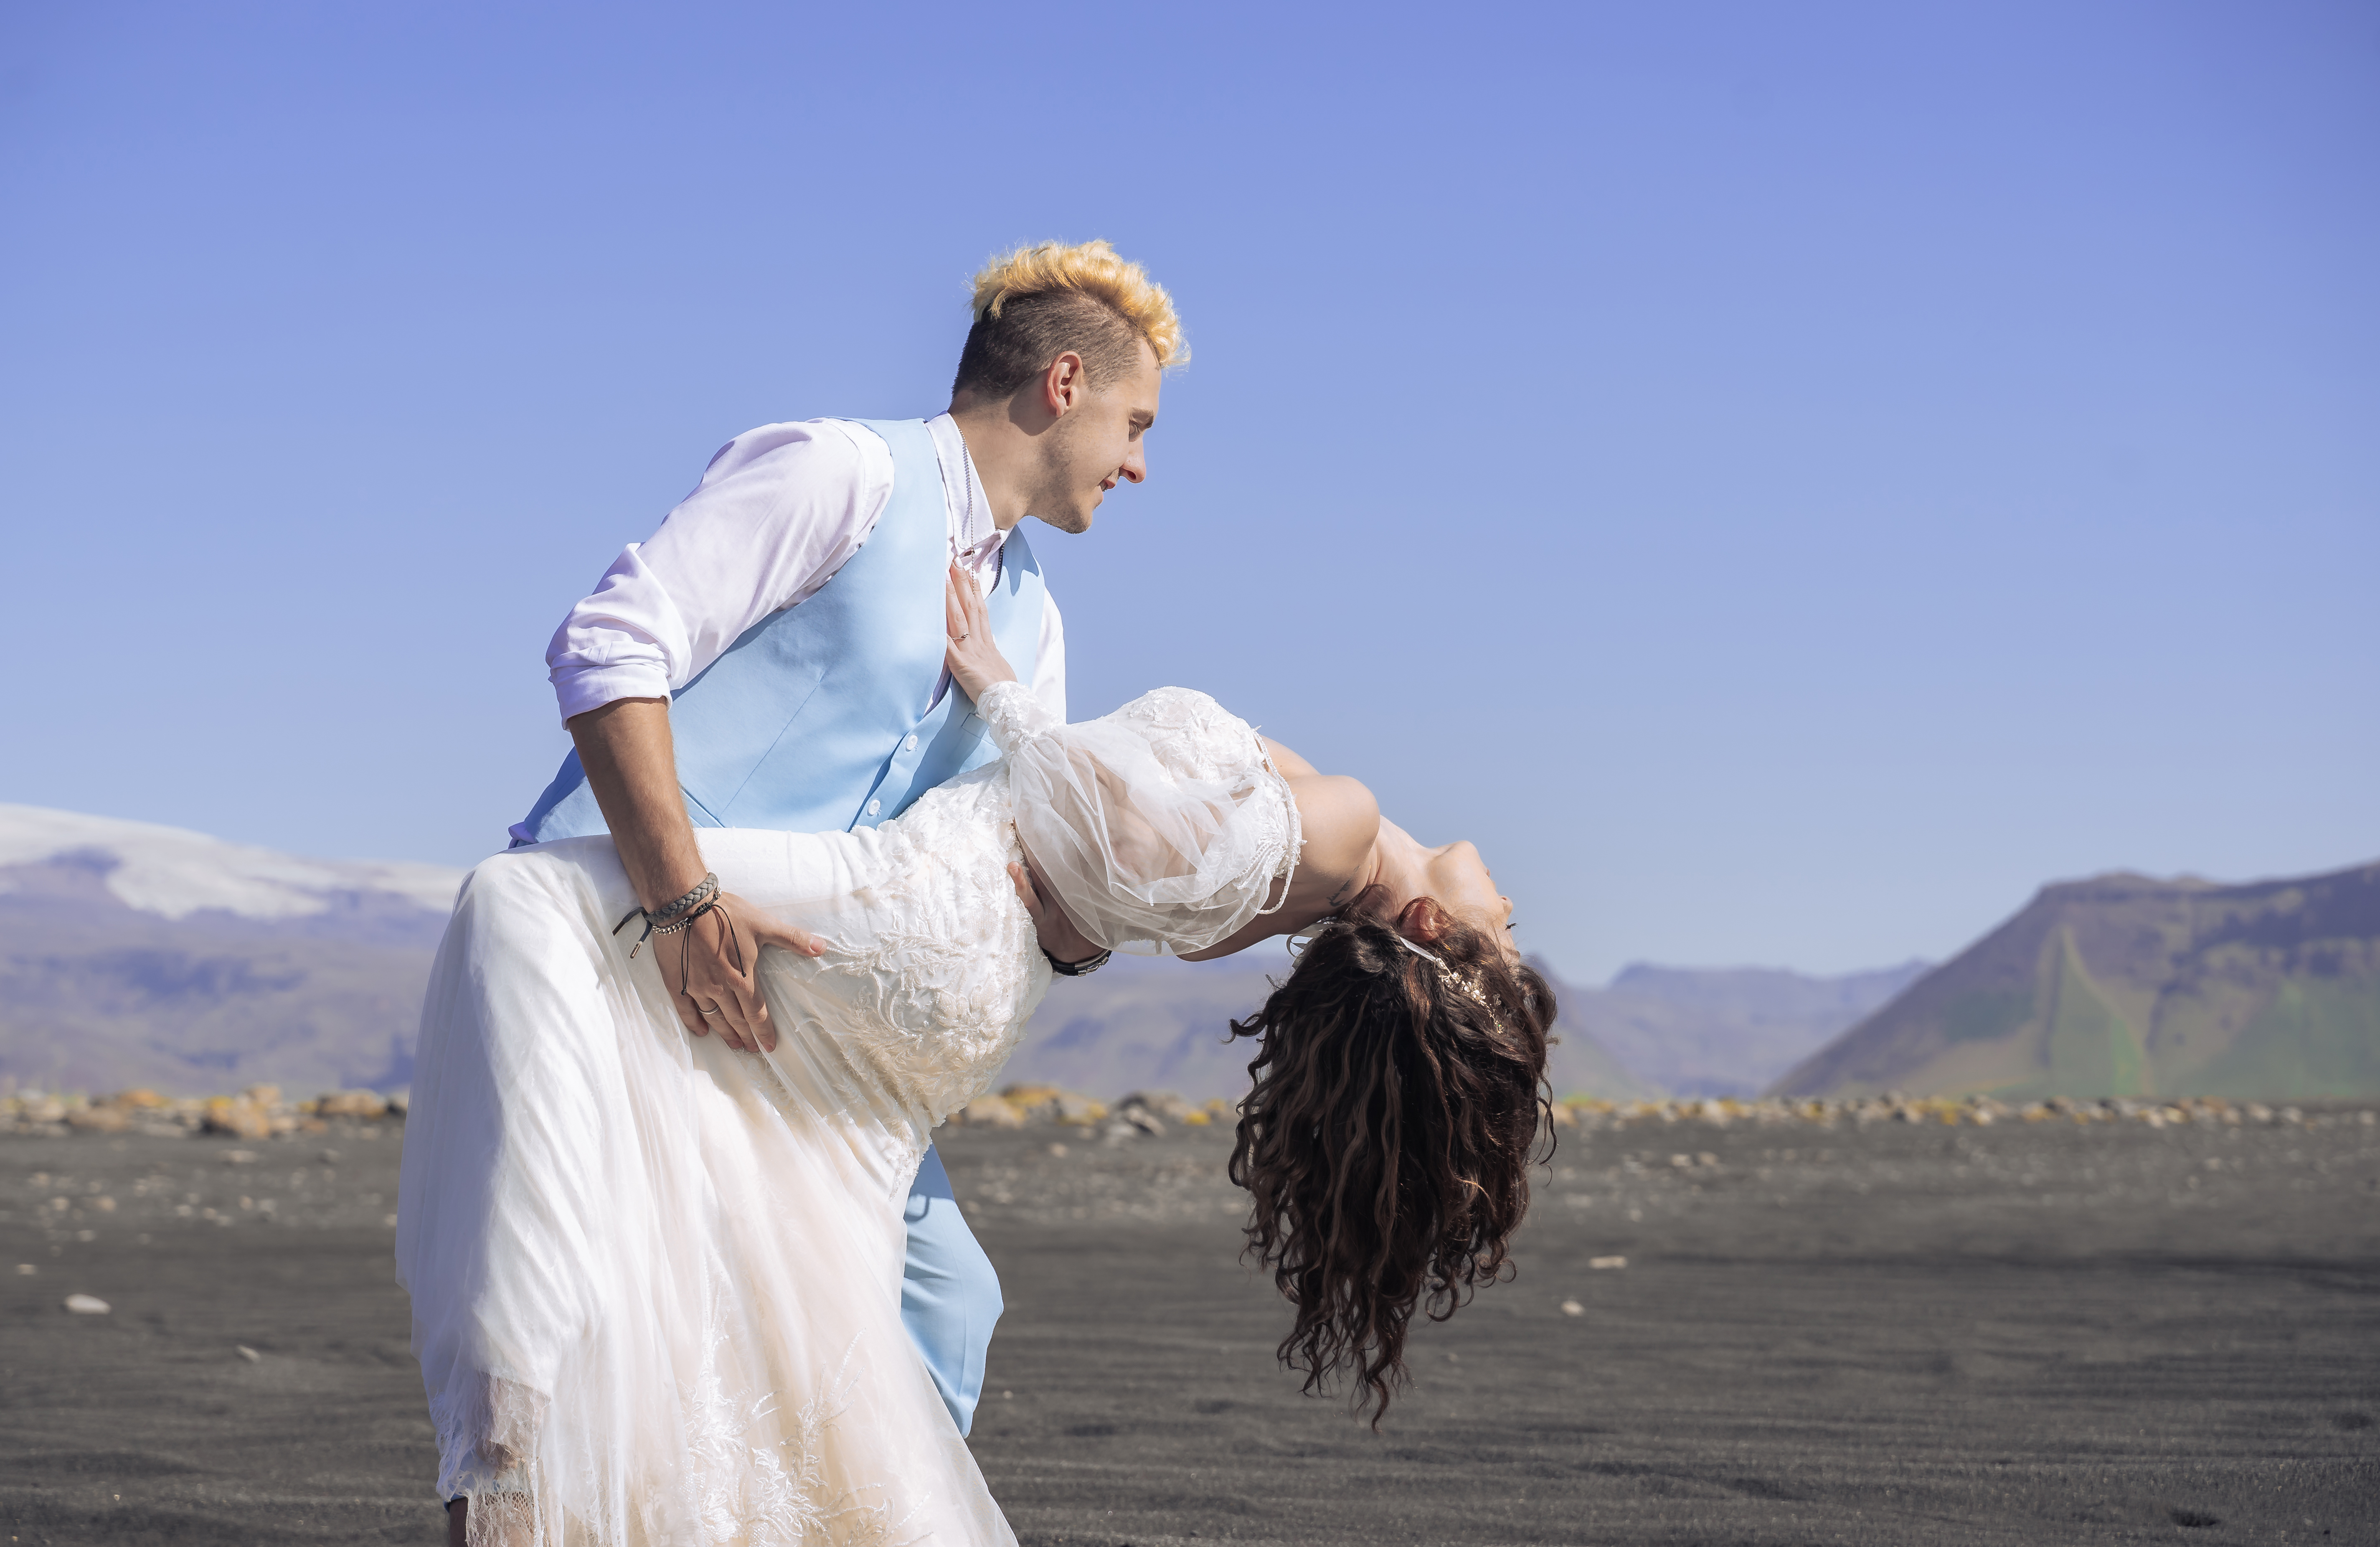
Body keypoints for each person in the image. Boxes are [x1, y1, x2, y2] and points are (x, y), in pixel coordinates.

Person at [399, 567, 1554, 1543]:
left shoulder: (1344, 828)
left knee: (532, 901)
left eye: (1498, 935)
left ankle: (511, 1431)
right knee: (781, 1215)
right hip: (978, 967)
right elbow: (1107, 916)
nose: (1510, 909)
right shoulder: (1315, 884)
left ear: (1429, 928)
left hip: (934, 909)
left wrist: (1003, 695)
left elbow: (1117, 843)